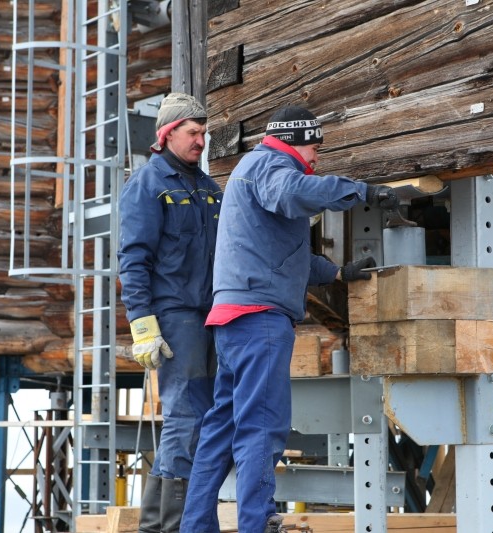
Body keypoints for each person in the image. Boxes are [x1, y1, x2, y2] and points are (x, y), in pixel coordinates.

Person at [180, 105, 399, 533]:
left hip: (234, 318)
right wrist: (363, 192)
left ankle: (195, 526)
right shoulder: (271, 166)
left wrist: (337, 272)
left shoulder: (252, 170)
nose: (316, 158)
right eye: (315, 148)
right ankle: (258, 522)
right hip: (260, 319)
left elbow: (283, 254)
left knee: (221, 428)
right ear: (297, 141)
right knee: (263, 422)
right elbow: (294, 192)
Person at [117, 92, 222, 533]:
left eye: (204, 133)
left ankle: (183, 519)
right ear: (167, 133)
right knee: (186, 414)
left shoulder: (210, 189)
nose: (201, 141)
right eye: (193, 133)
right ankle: (164, 525)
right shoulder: (148, 185)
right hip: (175, 315)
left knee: (211, 415)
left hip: (214, 316)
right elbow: (133, 259)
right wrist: (142, 326)